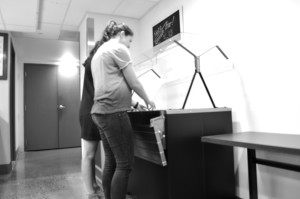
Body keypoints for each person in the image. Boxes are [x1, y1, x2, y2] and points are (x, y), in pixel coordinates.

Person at [91, 21, 155, 199]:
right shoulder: (119, 49)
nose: (129, 45)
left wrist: (134, 104)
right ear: (121, 34)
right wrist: (148, 99)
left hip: (100, 111)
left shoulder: (99, 53)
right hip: (113, 112)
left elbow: (111, 85)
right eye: (130, 40)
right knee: (124, 164)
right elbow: (133, 82)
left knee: (112, 161)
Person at [79, 22, 115, 199]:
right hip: (91, 110)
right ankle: (90, 193)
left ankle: (93, 185)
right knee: (89, 154)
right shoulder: (100, 60)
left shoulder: (93, 58)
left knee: (91, 154)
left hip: (89, 109)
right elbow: (108, 88)